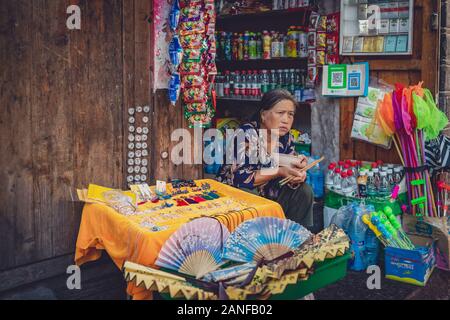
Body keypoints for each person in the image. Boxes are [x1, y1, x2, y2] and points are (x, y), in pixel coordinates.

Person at [216, 89, 314, 227]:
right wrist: (279, 171)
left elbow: (289, 166)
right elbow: (240, 179)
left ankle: (294, 237)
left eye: (290, 114)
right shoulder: (246, 134)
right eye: (280, 113)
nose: (286, 120)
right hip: (237, 195)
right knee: (250, 193)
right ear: (263, 115)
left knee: (304, 191)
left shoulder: (286, 137)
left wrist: (298, 172)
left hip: (270, 194)